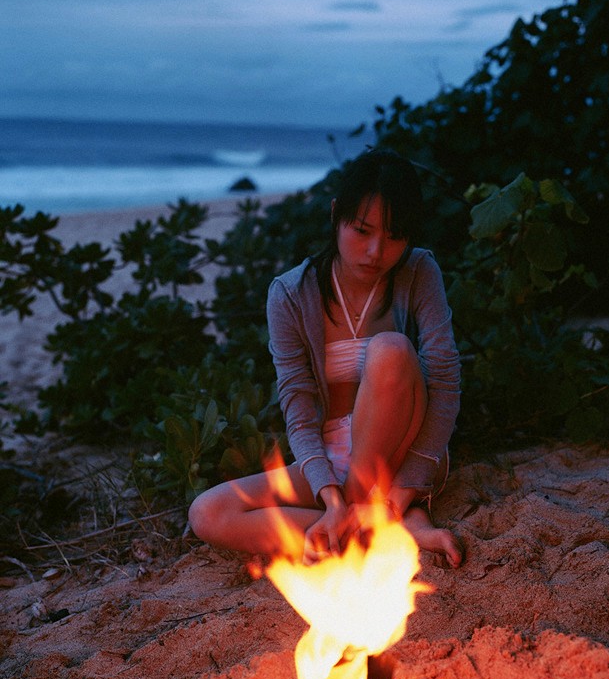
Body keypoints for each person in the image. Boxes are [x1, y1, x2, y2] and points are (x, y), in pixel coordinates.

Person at [189, 148, 463, 567]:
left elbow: (444, 386)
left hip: (401, 454)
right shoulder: (290, 294)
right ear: (337, 214)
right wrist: (329, 497)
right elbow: (298, 407)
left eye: (394, 236)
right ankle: (371, 525)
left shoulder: (419, 272)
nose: (376, 251)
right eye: (362, 230)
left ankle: (376, 514)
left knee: (390, 350)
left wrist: (405, 488)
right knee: (207, 513)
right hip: (327, 462)